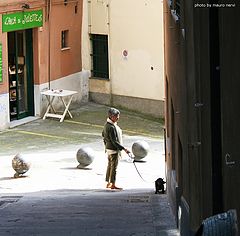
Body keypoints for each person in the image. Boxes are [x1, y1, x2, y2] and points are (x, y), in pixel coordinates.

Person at [102, 107, 130, 190]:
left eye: (118, 116)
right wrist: (124, 149)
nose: (118, 118)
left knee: (109, 166)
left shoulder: (107, 125)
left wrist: (106, 145)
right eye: (116, 116)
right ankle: (113, 184)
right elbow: (114, 141)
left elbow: (103, 135)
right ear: (111, 116)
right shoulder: (111, 127)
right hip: (113, 150)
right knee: (114, 167)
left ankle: (108, 183)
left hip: (109, 149)